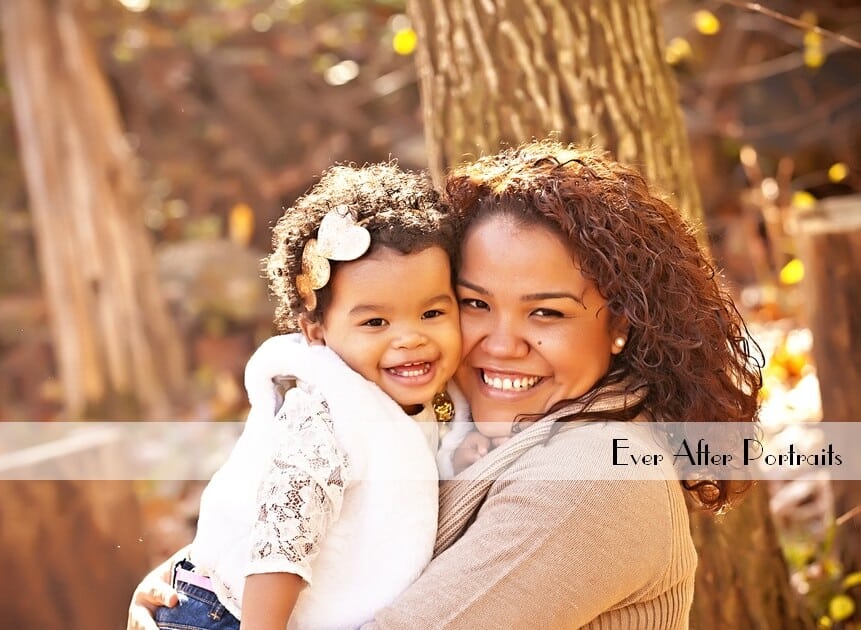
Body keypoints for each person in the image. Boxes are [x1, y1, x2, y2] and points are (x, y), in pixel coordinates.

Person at [129, 141, 762, 629]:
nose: (501, 342)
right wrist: (196, 584)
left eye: (547, 312)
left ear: (619, 325)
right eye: (473, 304)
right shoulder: (452, 427)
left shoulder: (592, 480)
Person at [152, 163, 462, 630]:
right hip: (237, 616)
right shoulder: (326, 415)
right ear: (315, 332)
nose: (410, 338)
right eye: (375, 322)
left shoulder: (425, 402)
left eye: (432, 312)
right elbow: (280, 543)